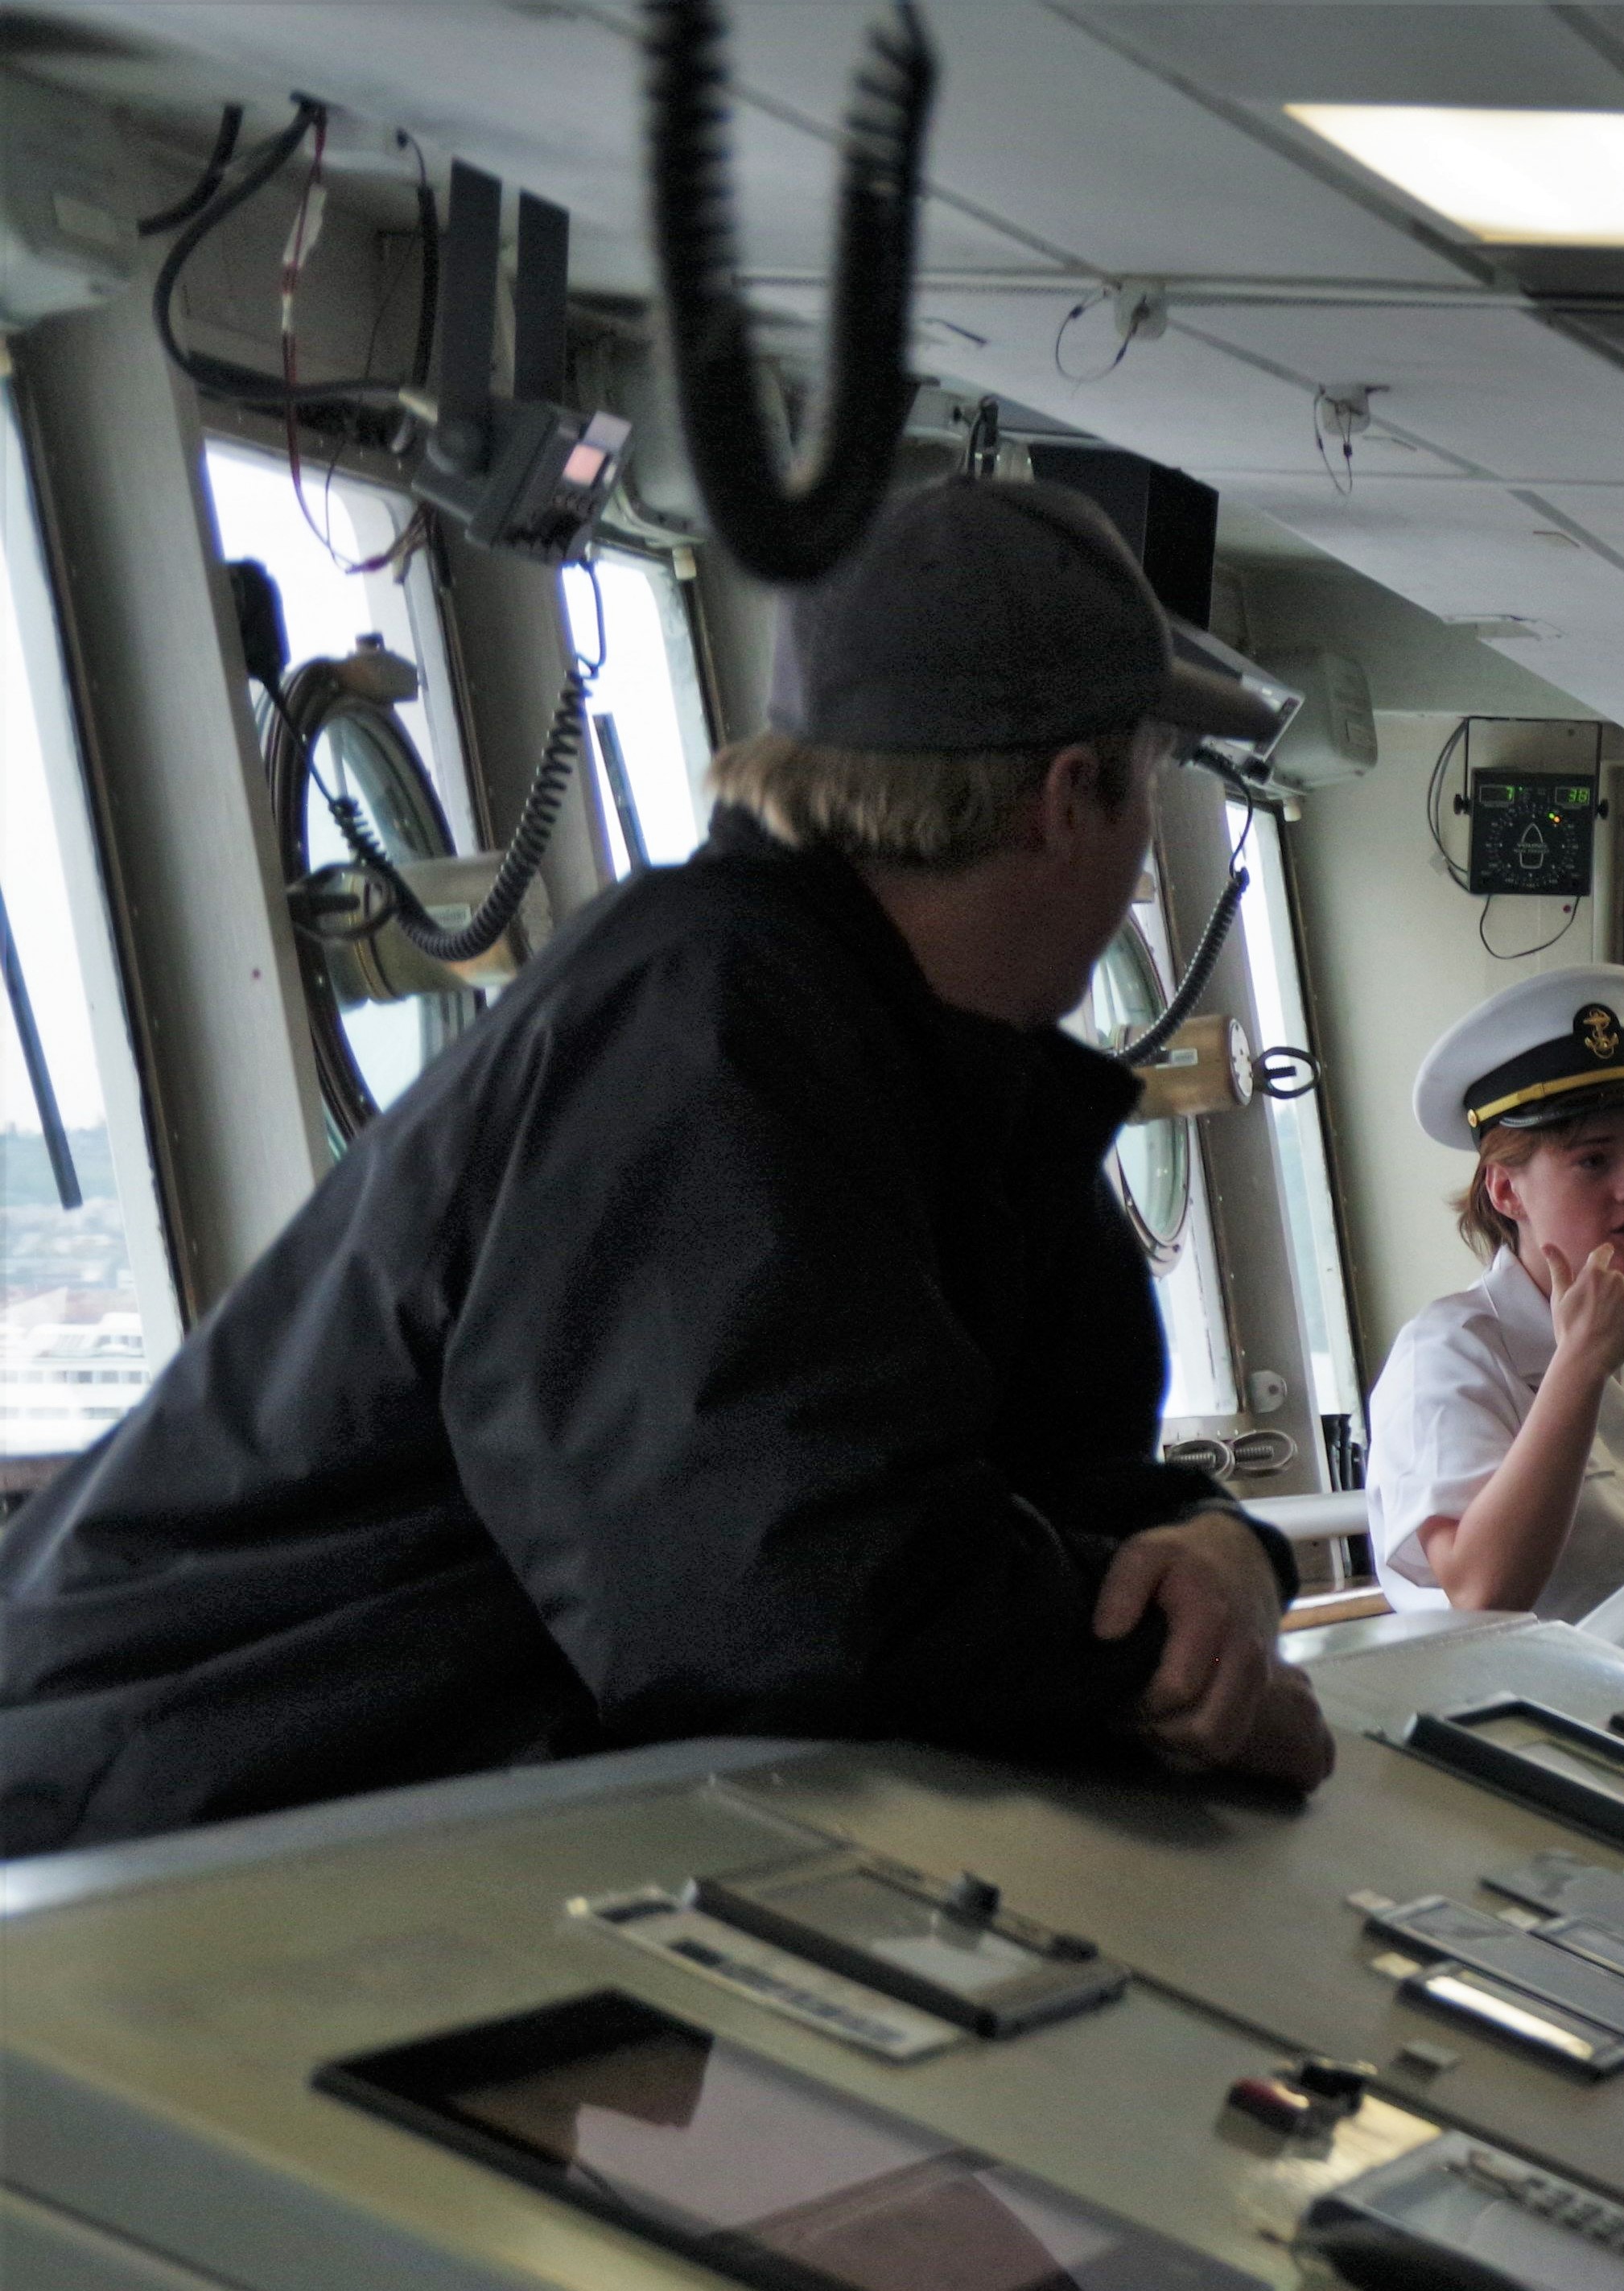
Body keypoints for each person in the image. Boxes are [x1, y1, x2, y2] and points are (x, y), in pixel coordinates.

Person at [0, 478, 1329, 1855]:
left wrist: (1225, 1552)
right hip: (149, 1832)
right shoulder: (702, 1026)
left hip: (367, 1824)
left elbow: (1052, 1480)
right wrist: (1145, 1689)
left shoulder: (944, 1081)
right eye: (1150, 780)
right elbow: (773, 1594)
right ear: (1068, 800)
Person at [1362, 970, 1624, 1618]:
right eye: (1593, 1161)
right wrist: (1580, 1364)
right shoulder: (1450, 1357)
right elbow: (1479, 1593)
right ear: (1506, 1191)